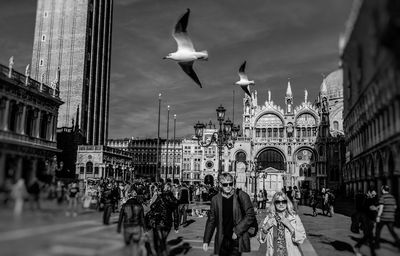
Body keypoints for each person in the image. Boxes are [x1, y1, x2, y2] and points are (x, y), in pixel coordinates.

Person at [203, 172, 256, 256]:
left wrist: (237, 231)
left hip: (237, 239)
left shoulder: (242, 196)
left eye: (230, 183)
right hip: (222, 238)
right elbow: (211, 220)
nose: (228, 186)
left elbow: (250, 215)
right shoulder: (215, 199)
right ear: (220, 184)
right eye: (225, 184)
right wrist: (206, 240)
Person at [260, 191, 306, 256]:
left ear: (287, 203)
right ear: (274, 204)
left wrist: (290, 226)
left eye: (284, 201)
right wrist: (266, 227)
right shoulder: (269, 218)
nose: (281, 204)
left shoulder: (294, 217)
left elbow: (302, 238)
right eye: (278, 202)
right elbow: (261, 239)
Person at [145, 183, 179, 256]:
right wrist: (176, 226)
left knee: (159, 240)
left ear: (164, 188)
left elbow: (152, 206)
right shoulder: (174, 200)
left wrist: (158, 208)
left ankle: (159, 252)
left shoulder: (160, 197)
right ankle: (161, 252)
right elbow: (176, 214)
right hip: (168, 222)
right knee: (163, 240)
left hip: (159, 221)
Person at [117, 189, 147, 256]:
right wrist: (145, 229)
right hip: (137, 227)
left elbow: (120, 218)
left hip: (127, 227)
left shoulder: (124, 206)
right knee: (136, 244)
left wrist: (119, 228)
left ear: (128, 196)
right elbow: (142, 218)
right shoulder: (139, 205)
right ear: (135, 196)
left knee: (127, 245)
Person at [354, 189, 378, 256]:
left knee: (368, 236)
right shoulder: (366, 200)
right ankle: (359, 247)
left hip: (370, 220)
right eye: (373, 194)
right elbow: (369, 208)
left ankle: (358, 247)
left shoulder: (370, 199)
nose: (374, 195)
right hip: (367, 221)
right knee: (369, 236)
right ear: (369, 193)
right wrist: (376, 208)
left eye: (375, 194)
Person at [375, 185, 400, 249]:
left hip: (383, 217)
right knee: (392, 231)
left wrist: (378, 216)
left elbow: (381, 208)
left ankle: (377, 245)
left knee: (378, 230)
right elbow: (395, 207)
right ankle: (398, 242)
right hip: (391, 217)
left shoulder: (383, 197)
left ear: (383, 190)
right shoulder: (392, 197)